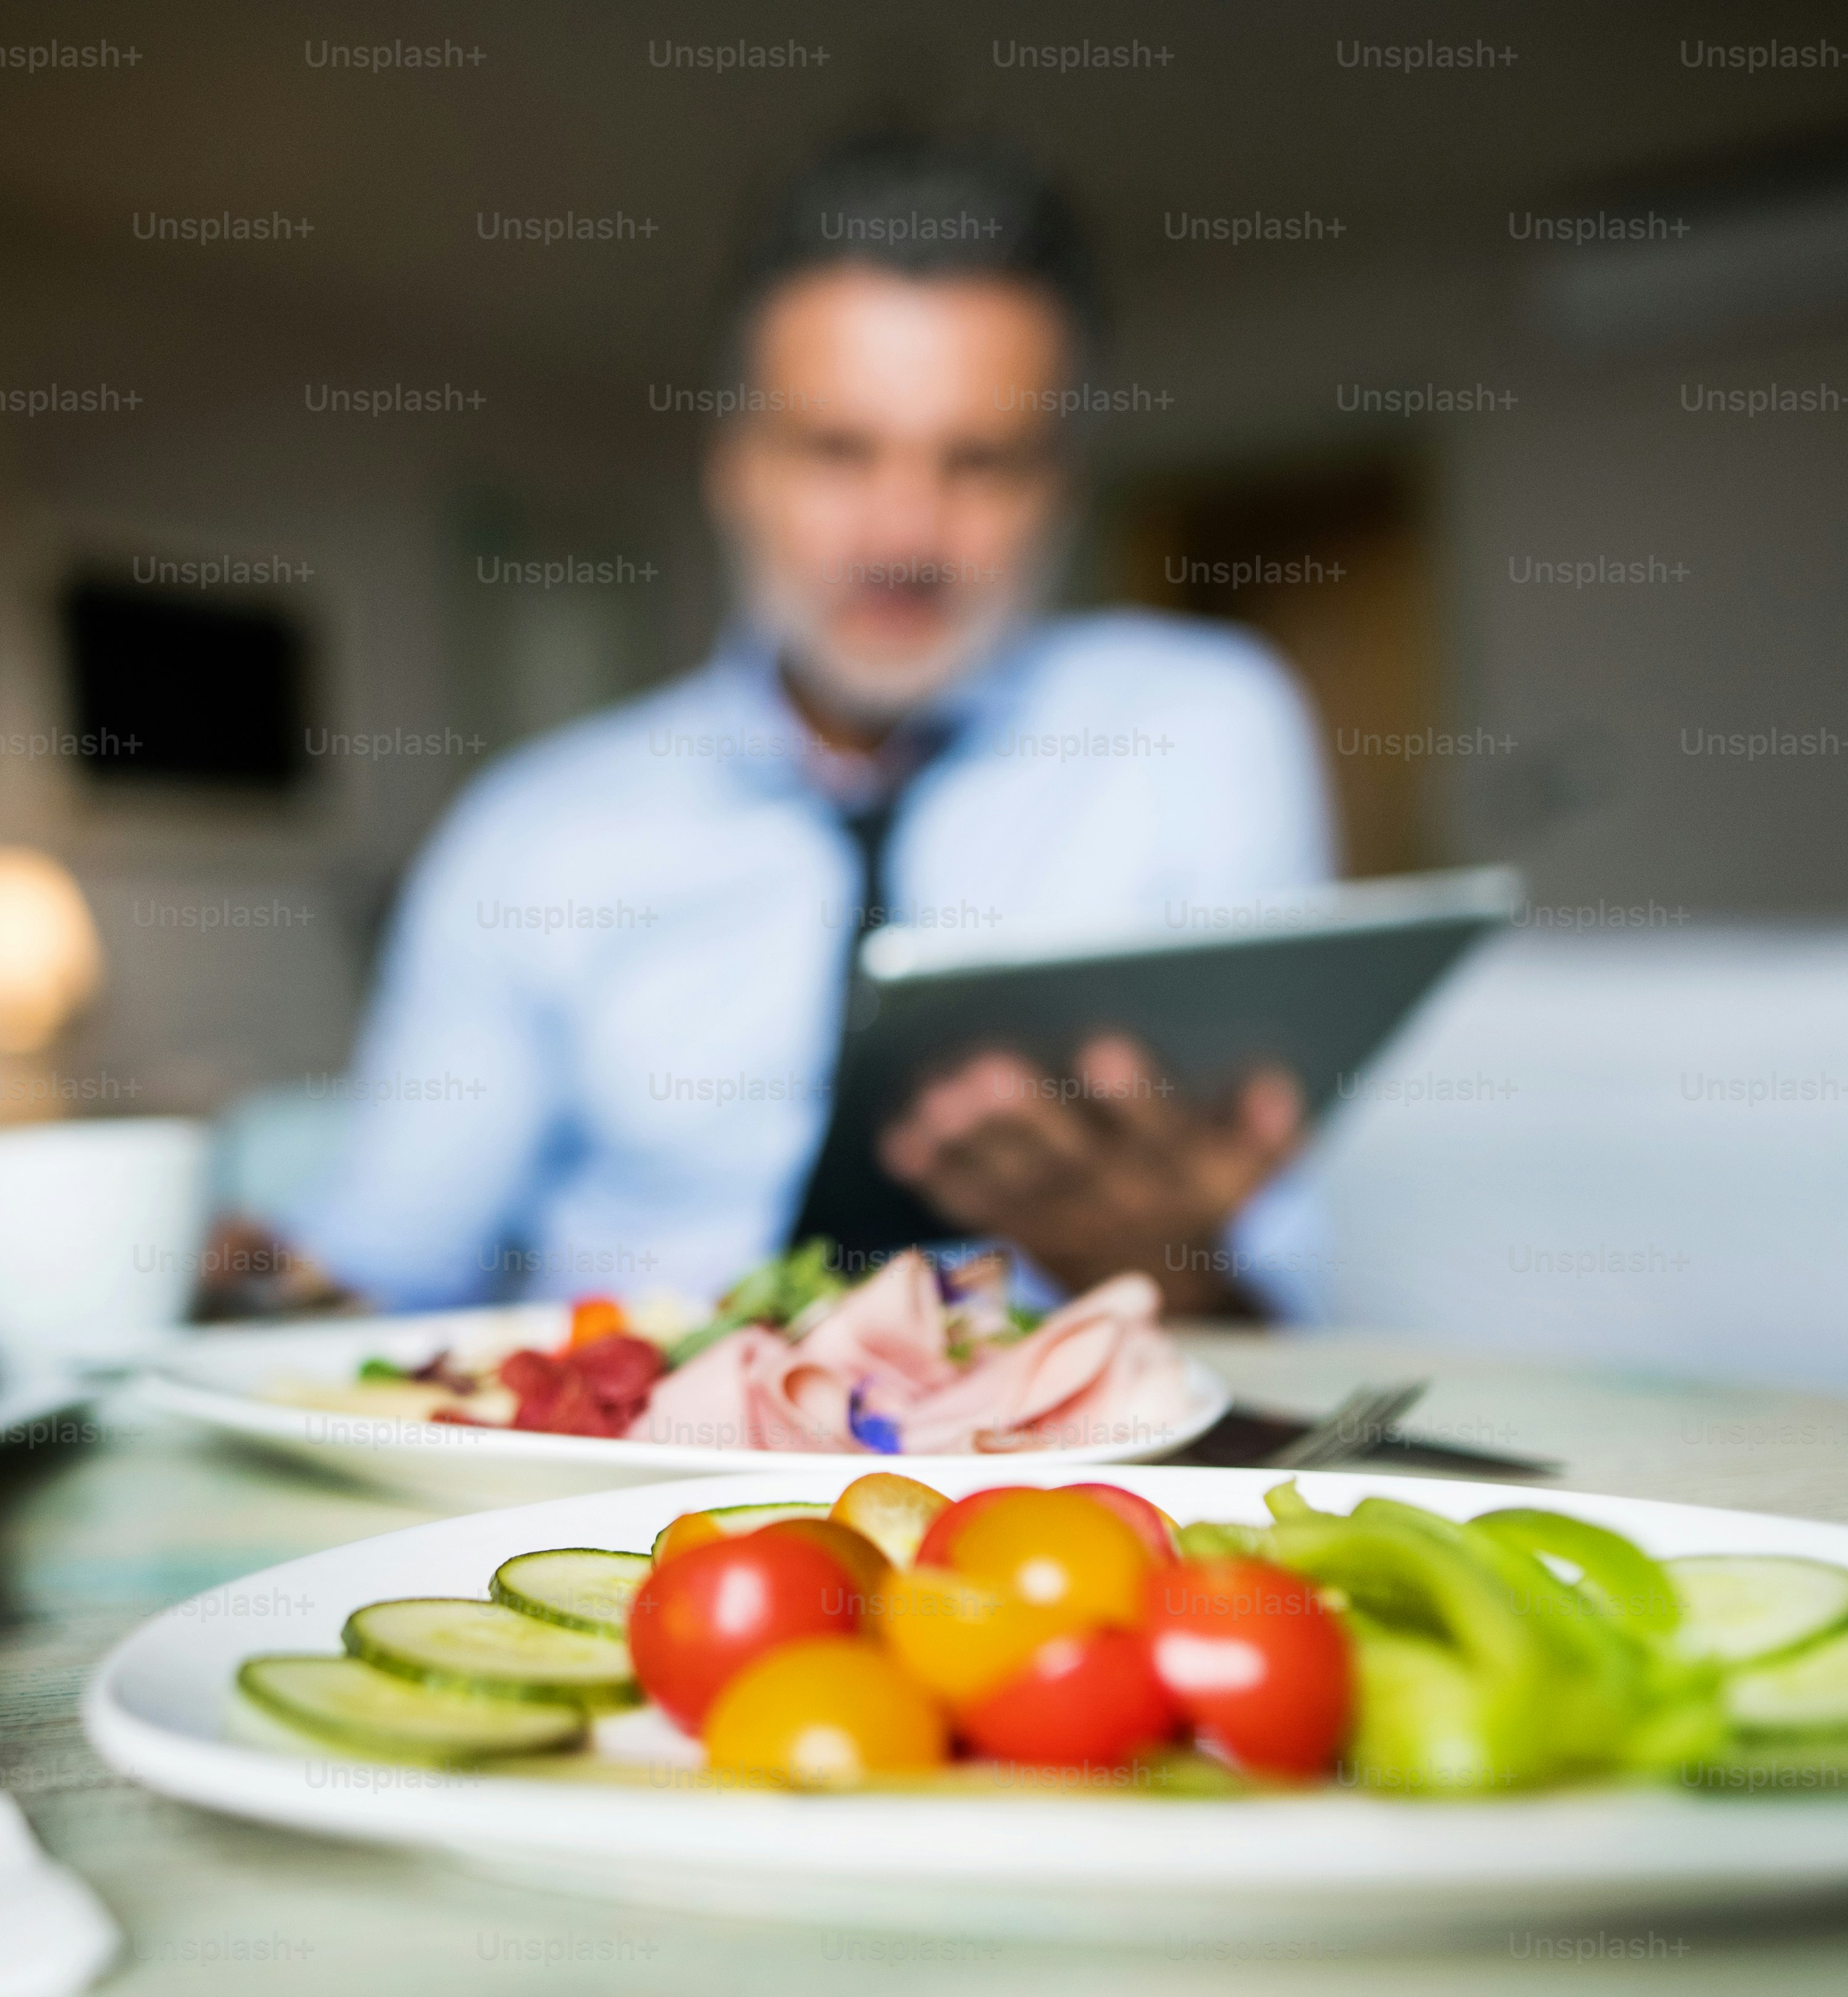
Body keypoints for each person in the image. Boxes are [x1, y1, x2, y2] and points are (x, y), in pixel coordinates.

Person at [279, 133, 1334, 1321]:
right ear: (735, 463)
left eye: (979, 462)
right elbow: (382, 1268)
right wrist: (248, 1289)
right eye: (839, 451)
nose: (904, 536)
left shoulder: (1205, 731)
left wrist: (1166, 1269)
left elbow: (1285, 1304)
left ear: (1062, 487)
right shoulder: (530, 831)